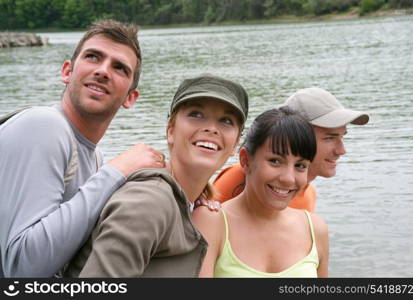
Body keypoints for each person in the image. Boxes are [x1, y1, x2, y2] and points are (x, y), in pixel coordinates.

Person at [0, 19, 166, 278]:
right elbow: (22, 270)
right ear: (67, 71)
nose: (103, 71)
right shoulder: (43, 125)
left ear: (130, 98)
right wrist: (115, 171)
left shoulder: (93, 156)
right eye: (93, 57)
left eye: (119, 68)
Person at [64, 73, 249, 277]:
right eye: (196, 114)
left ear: (236, 144)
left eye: (226, 121)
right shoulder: (148, 201)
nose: (211, 128)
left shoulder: (189, 202)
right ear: (170, 130)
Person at [192, 107, 329, 277]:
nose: (288, 178)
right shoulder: (211, 222)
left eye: (300, 166)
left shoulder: (315, 229)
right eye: (275, 161)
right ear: (245, 160)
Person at [212, 87, 369, 212]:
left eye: (342, 137)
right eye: (329, 138)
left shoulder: (309, 195)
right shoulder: (239, 178)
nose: (341, 150)